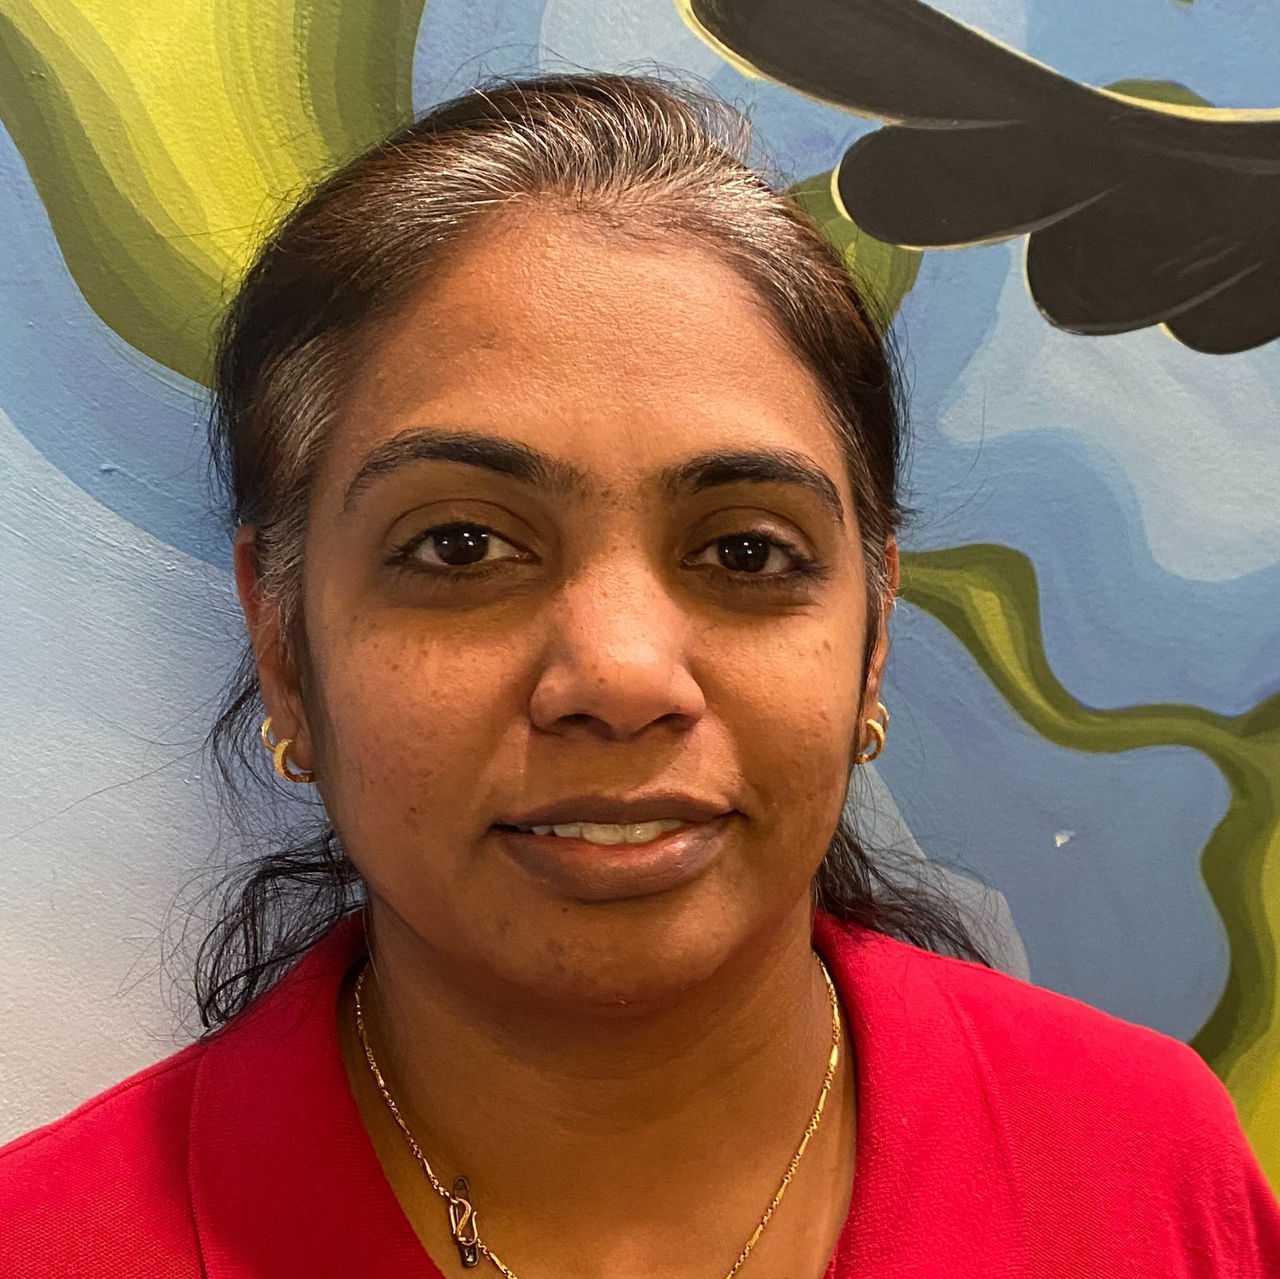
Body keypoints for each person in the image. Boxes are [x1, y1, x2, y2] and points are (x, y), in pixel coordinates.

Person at [2, 70, 1277, 1279]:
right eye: (460, 546)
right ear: (285, 645)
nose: (619, 676)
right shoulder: (52, 1242)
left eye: (744, 550)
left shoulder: (1145, 1168)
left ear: (872, 634)